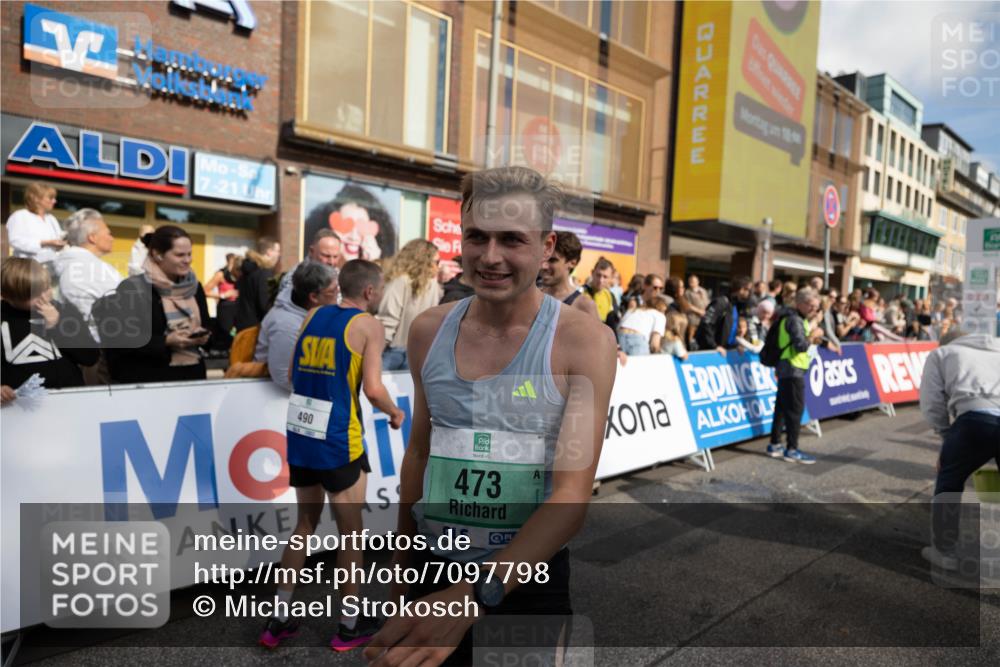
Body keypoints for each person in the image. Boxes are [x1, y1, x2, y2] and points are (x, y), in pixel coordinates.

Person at [365, 166, 617, 666]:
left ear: (547, 247)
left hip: (526, 577)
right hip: (431, 567)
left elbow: (571, 495)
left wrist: (475, 595)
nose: (490, 256)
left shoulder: (583, 340)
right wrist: (402, 560)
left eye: (512, 240)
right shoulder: (428, 331)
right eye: (477, 236)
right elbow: (420, 451)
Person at [261, 259, 404, 650]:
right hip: (341, 439)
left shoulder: (313, 315)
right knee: (351, 538)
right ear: (371, 292)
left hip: (303, 433)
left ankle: (278, 620)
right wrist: (394, 411)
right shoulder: (368, 325)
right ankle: (348, 627)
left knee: (304, 526)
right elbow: (373, 390)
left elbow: (291, 374)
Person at [920, 330, 1000, 571]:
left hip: (974, 419)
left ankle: (945, 551)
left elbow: (932, 402)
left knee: (949, 481)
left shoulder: (942, 353)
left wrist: (946, 437)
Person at [100, 226, 211, 384]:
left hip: (191, 376)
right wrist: (166, 341)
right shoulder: (133, 288)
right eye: (180, 255)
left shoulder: (195, 287)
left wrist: (203, 336)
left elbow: (207, 324)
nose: (188, 260)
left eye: (189, 254)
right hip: (150, 380)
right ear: (157, 254)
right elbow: (120, 340)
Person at [1, 257, 98, 402]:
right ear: (8, 296)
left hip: (68, 399)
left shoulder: (65, 311)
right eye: (33, 294)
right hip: (19, 406)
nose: (44, 297)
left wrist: (57, 326)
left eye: (46, 288)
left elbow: (90, 357)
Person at [51, 208, 122, 385]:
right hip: (99, 354)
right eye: (109, 232)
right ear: (92, 237)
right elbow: (126, 306)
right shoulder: (90, 270)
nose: (112, 237)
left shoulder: (74, 267)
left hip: (91, 350)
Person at [254, 262, 339, 391]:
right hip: (280, 400)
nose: (338, 296)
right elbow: (284, 378)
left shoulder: (313, 309)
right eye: (332, 291)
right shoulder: (284, 326)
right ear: (314, 297)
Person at [767, 287, 825, 463]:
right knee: (795, 410)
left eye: (817, 306)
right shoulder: (794, 320)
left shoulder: (795, 318)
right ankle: (792, 449)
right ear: (799, 303)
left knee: (782, 408)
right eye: (811, 305)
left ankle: (775, 444)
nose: (814, 309)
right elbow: (801, 345)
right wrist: (813, 335)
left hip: (790, 367)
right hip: (792, 368)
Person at [377, 239, 444, 371]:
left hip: (400, 351)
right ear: (423, 261)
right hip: (412, 352)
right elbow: (389, 320)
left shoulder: (403, 282)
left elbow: (388, 319)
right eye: (436, 262)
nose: (439, 266)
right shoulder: (406, 282)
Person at [302, 183, 398, 262]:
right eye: (345, 226)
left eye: (362, 228)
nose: (353, 237)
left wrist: (372, 265)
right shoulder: (308, 271)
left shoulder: (385, 274)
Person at [538, 231, 599, 318]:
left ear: (572, 263)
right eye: (544, 258)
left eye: (552, 260)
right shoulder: (533, 297)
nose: (544, 266)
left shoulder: (584, 306)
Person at [6, 182, 64, 264]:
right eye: (50, 198)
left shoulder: (51, 219)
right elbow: (15, 241)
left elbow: (58, 239)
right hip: (26, 267)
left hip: (49, 267)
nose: (54, 201)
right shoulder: (20, 216)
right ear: (36, 199)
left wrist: (61, 243)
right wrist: (43, 243)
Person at [694, 275, 752, 355]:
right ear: (741, 289)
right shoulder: (721, 302)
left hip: (726, 350)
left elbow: (731, 328)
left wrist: (736, 345)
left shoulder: (734, 304)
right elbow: (706, 323)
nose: (749, 293)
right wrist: (714, 346)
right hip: (713, 351)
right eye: (747, 290)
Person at [234, 236, 281, 332]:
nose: (279, 255)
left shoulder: (248, 269)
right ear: (269, 252)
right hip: (256, 330)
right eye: (278, 251)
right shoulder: (265, 272)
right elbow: (266, 305)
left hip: (243, 326)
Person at [277, 229, 343, 295]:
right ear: (311, 251)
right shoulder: (295, 278)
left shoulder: (338, 274)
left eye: (335, 256)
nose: (331, 262)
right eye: (326, 256)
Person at [204, 253, 241, 351]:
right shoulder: (221, 274)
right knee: (226, 336)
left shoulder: (241, 275)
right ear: (229, 262)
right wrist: (223, 295)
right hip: (226, 308)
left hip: (239, 307)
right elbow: (205, 291)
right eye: (234, 264)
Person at [583, 256, 620, 329]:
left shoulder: (610, 296)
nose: (601, 280)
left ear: (611, 278)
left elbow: (612, 324)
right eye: (598, 275)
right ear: (592, 273)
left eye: (605, 277)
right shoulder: (580, 292)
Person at [685, 274, 709, 344]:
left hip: (704, 317)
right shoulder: (687, 292)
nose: (691, 283)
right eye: (690, 282)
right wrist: (699, 311)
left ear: (698, 282)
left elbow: (707, 301)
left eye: (693, 281)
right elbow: (688, 305)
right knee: (691, 337)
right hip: (693, 318)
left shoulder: (703, 291)